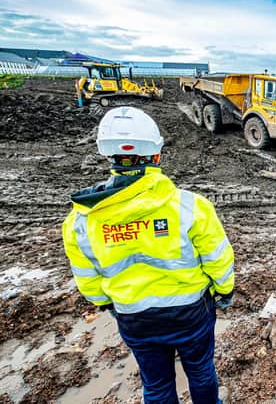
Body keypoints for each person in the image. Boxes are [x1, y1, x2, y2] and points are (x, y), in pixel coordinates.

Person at [62, 107, 234, 403]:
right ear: (156, 154)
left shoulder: (80, 220)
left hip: (134, 317)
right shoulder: (191, 206)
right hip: (190, 313)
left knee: (156, 385)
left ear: (107, 155)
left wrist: (106, 304)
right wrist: (224, 291)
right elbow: (217, 257)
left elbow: (87, 277)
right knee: (202, 372)